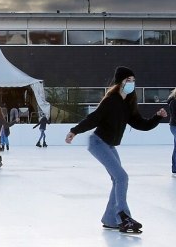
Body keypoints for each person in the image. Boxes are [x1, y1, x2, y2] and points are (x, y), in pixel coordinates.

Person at [66, 66, 166, 234]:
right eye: (128, 80)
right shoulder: (111, 101)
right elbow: (94, 118)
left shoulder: (128, 104)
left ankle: (110, 219)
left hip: (109, 145)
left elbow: (141, 124)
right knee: (122, 177)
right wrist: (75, 130)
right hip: (98, 143)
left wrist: (157, 117)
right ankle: (123, 217)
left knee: (117, 179)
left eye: (133, 80)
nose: (131, 83)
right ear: (120, 82)